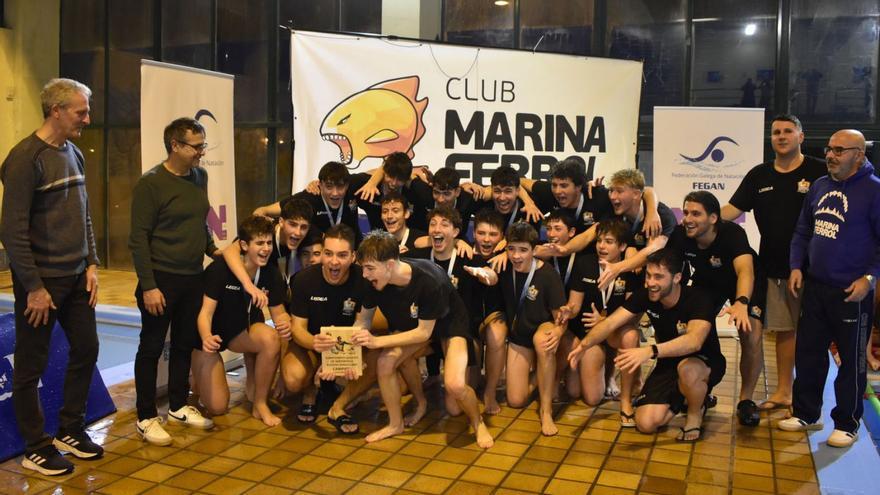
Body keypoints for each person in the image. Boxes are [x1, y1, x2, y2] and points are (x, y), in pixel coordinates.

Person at [0, 78, 102, 475]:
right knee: (30, 367)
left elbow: (84, 213)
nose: (87, 119)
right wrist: (35, 288)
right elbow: (12, 231)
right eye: (81, 112)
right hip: (42, 283)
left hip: (77, 278)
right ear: (56, 111)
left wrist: (91, 262)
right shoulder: (26, 158)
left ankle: (70, 429)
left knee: (87, 348)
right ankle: (36, 445)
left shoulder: (73, 152)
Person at [780, 129, 880, 448]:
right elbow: (802, 230)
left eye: (839, 150)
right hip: (816, 288)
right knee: (808, 353)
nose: (831, 155)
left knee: (850, 361)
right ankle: (807, 414)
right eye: (829, 149)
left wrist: (869, 279)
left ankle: (847, 422)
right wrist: (797, 266)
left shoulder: (874, 191)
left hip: (852, 292)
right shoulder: (820, 186)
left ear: (859, 155)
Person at [721, 114, 826, 411]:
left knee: (815, 336)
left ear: (801, 137)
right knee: (785, 330)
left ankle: (812, 401)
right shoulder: (759, 175)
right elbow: (733, 209)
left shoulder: (819, 171)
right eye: (776, 132)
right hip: (775, 266)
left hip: (817, 268)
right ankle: (784, 392)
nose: (781, 136)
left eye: (788, 131)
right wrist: (704, 220)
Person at [351, 231, 493, 448]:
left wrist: (376, 342)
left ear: (389, 265)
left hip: (449, 326)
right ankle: (397, 422)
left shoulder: (429, 280)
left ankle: (478, 422)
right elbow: (362, 323)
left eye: (370, 269)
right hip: (417, 326)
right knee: (385, 362)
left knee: (455, 386)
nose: (364, 275)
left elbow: (424, 334)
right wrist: (345, 356)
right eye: (363, 268)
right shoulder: (372, 281)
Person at [569, 248, 726, 443]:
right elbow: (610, 323)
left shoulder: (699, 298)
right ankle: (684, 395)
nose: (651, 283)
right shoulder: (646, 295)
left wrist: (650, 351)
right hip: (668, 363)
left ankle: (695, 413)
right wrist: (583, 345)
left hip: (704, 362)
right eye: (648, 275)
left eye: (658, 277)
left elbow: (694, 342)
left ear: (677, 278)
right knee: (645, 423)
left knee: (689, 371)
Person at [129, 117, 220, 446]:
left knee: (183, 343)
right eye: (196, 146)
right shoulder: (151, 183)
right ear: (175, 146)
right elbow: (138, 239)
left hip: (193, 276)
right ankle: (145, 415)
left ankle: (179, 405)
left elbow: (201, 221)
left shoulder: (200, 176)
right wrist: (149, 285)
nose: (201, 152)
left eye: (202, 145)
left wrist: (212, 250)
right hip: (161, 278)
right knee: (151, 347)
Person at [669, 191, 764, 426]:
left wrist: (741, 302)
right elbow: (666, 263)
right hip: (709, 281)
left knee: (750, 334)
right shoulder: (682, 234)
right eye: (686, 212)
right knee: (695, 329)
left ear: (713, 218)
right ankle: (702, 390)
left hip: (745, 283)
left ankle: (745, 401)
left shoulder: (732, 233)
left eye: (696, 214)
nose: (687, 219)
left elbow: (745, 270)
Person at [191, 216, 291, 427]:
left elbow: (279, 314)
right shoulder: (220, 270)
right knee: (217, 407)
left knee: (271, 338)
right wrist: (206, 337)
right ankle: (195, 374)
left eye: (269, 243)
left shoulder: (271, 273)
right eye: (259, 243)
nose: (266, 249)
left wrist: (286, 323)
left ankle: (260, 404)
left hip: (239, 332)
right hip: (211, 336)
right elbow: (205, 314)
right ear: (244, 245)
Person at [478, 222, 568, 436]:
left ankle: (546, 411)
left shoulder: (547, 276)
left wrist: (557, 333)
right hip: (519, 339)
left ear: (535, 250)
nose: (516, 256)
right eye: (511, 249)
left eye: (523, 250)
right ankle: (545, 372)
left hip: (541, 329)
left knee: (544, 340)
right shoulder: (504, 266)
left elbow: (560, 318)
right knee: (516, 401)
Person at [285, 225, 373, 434]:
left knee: (373, 363)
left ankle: (339, 406)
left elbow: (362, 325)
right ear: (322, 254)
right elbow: (297, 329)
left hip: (345, 345)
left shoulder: (363, 280)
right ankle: (310, 392)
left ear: (353, 257)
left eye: (342, 255)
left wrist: (348, 357)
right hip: (311, 344)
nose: (334, 262)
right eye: (329, 254)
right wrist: (316, 344)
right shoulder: (304, 280)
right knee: (292, 379)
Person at [563, 218, 639, 426]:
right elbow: (574, 305)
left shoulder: (630, 271)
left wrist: (605, 320)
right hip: (589, 335)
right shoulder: (584, 263)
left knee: (631, 335)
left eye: (609, 242)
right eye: (599, 241)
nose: (602, 246)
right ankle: (595, 370)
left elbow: (632, 314)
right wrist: (566, 311)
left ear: (622, 246)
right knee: (588, 397)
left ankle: (627, 396)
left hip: (613, 331)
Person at [553, 169, 676, 290]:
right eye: (611, 190)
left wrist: (616, 268)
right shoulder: (614, 210)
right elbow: (588, 235)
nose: (612, 196)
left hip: (665, 280)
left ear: (636, 194)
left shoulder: (660, 215)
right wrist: (564, 249)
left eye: (619, 191)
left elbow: (652, 250)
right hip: (632, 274)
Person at [255, 161, 363, 246]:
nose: (335, 193)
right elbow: (262, 211)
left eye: (340, 187)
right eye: (329, 186)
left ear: (347, 185)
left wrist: (372, 183)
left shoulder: (353, 186)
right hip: (317, 255)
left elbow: (378, 170)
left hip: (350, 250)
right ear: (320, 184)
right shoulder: (309, 197)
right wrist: (263, 228)